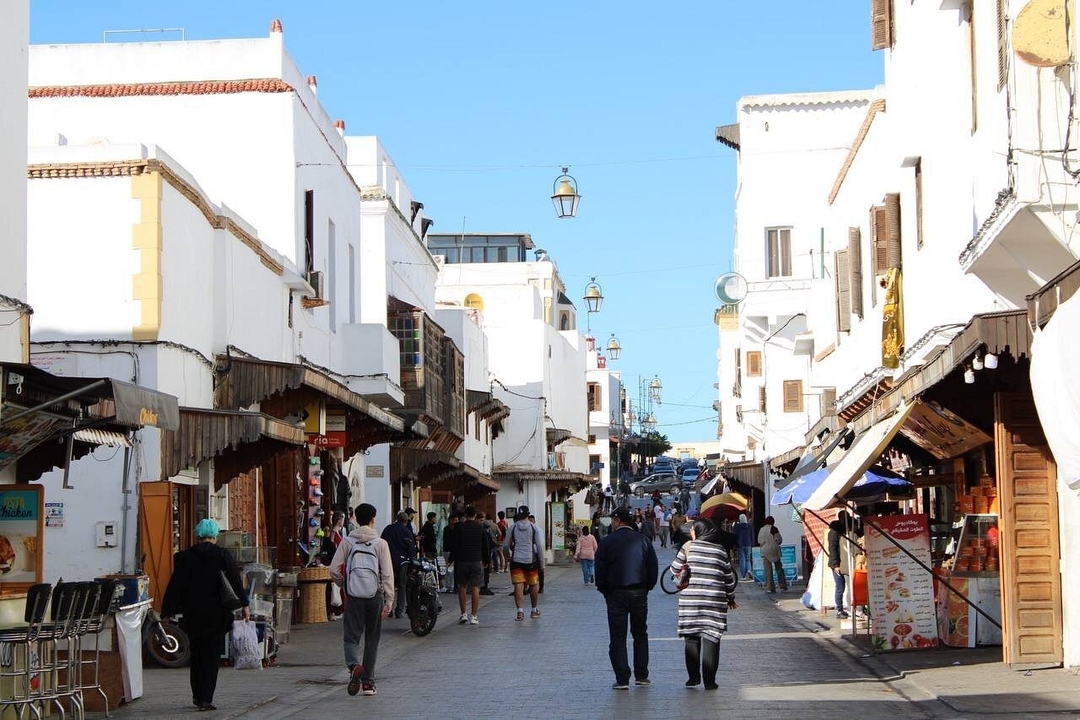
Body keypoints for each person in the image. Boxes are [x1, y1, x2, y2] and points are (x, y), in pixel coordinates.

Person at [162, 518, 250, 712]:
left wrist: (167, 611)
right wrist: (245, 605)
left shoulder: (184, 557)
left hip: (193, 614)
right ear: (215, 536)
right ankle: (206, 699)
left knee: (197, 655)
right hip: (217, 614)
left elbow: (175, 585)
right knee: (211, 657)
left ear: (198, 535)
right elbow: (235, 581)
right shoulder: (222, 555)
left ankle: (197, 695)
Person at [328, 503, 394, 697]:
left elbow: (333, 568)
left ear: (355, 519)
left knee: (351, 636)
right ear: (373, 519)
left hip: (354, 596)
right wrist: (390, 599)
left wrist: (344, 585)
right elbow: (388, 574)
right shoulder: (380, 543)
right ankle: (368, 684)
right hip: (376, 595)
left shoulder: (348, 541)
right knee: (372, 639)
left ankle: (354, 665)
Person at [595, 506, 659, 690]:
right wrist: (648, 587)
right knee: (640, 633)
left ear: (617, 521)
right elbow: (652, 567)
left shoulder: (607, 542)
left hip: (615, 594)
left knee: (618, 636)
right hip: (639, 592)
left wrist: (604, 589)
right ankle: (641, 675)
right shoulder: (643, 540)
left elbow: (600, 569)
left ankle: (622, 678)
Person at [669, 518, 738, 690]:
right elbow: (728, 578)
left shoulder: (688, 547)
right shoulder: (720, 550)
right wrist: (731, 598)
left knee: (691, 638)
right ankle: (709, 681)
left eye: (692, 530)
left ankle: (693, 678)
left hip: (691, 600)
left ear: (698, 532)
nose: (691, 533)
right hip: (714, 601)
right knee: (711, 638)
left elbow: (674, 570)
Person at [448, 505, 491, 625]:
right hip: (476, 561)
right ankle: (474, 616)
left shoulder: (460, 528)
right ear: (475, 516)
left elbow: (455, 545)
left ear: (465, 515)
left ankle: (463, 614)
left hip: (462, 561)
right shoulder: (480, 528)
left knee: (462, 587)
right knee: (475, 587)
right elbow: (485, 546)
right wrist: (487, 560)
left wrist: (451, 559)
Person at [505, 505, 544, 621]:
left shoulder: (512, 528)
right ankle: (533, 610)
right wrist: (541, 564)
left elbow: (506, 545)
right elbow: (539, 547)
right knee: (533, 584)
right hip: (530, 559)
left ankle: (520, 612)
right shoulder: (533, 528)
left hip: (516, 559)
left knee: (518, 584)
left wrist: (508, 557)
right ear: (528, 515)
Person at [381, 511, 417, 618]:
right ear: (406, 521)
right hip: (402, 561)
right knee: (402, 585)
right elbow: (411, 548)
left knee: (387, 584)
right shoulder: (406, 531)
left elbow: (382, 543)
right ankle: (399, 610)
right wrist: (413, 563)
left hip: (388, 560)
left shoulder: (388, 529)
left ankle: (388, 607)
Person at [828, 510, 853, 619]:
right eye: (845, 517)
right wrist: (836, 565)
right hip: (838, 563)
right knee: (840, 587)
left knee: (851, 586)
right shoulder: (834, 531)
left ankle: (853, 608)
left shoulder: (849, 528)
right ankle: (839, 609)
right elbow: (832, 548)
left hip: (848, 562)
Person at [757, 516, 787, 593]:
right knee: (779, 568)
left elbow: (759, 541)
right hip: (774, 550)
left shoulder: (761, 529)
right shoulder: (774, 528)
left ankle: (770, 588)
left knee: (768, 571)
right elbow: (779, 540)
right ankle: (783, 585)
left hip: (764, 551)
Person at [441, 512, 460, 593]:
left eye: (457, 520)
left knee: (452, 569)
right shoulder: (447, 529)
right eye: (455, 520)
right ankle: (449, 585)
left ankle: (452, 585)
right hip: (448, 551)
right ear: (450, 520)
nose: (456, 522)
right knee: (449, 569)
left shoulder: (456, 529)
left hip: (454, 551)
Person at [528, 514, 546, 594]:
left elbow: (541, 543)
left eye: (532, 521)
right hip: (529, 553)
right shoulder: (527, 530)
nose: (531, 522)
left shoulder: (538, 530)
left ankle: (541, 587)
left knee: (540, 570)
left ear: (534, 521)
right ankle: (530, 586)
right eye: (529, 521)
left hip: (537, 552)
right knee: (530, 571)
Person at [733, 513, 754, 580]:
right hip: (748, 544)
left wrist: (735, 544)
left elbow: (735, 535)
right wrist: (752, 543)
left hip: (740, 544)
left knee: (742, 560)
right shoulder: (749, 526)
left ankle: (743, 576)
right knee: (748, 559)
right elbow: (751, 535)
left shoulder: (738, 526)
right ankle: (749, 570)